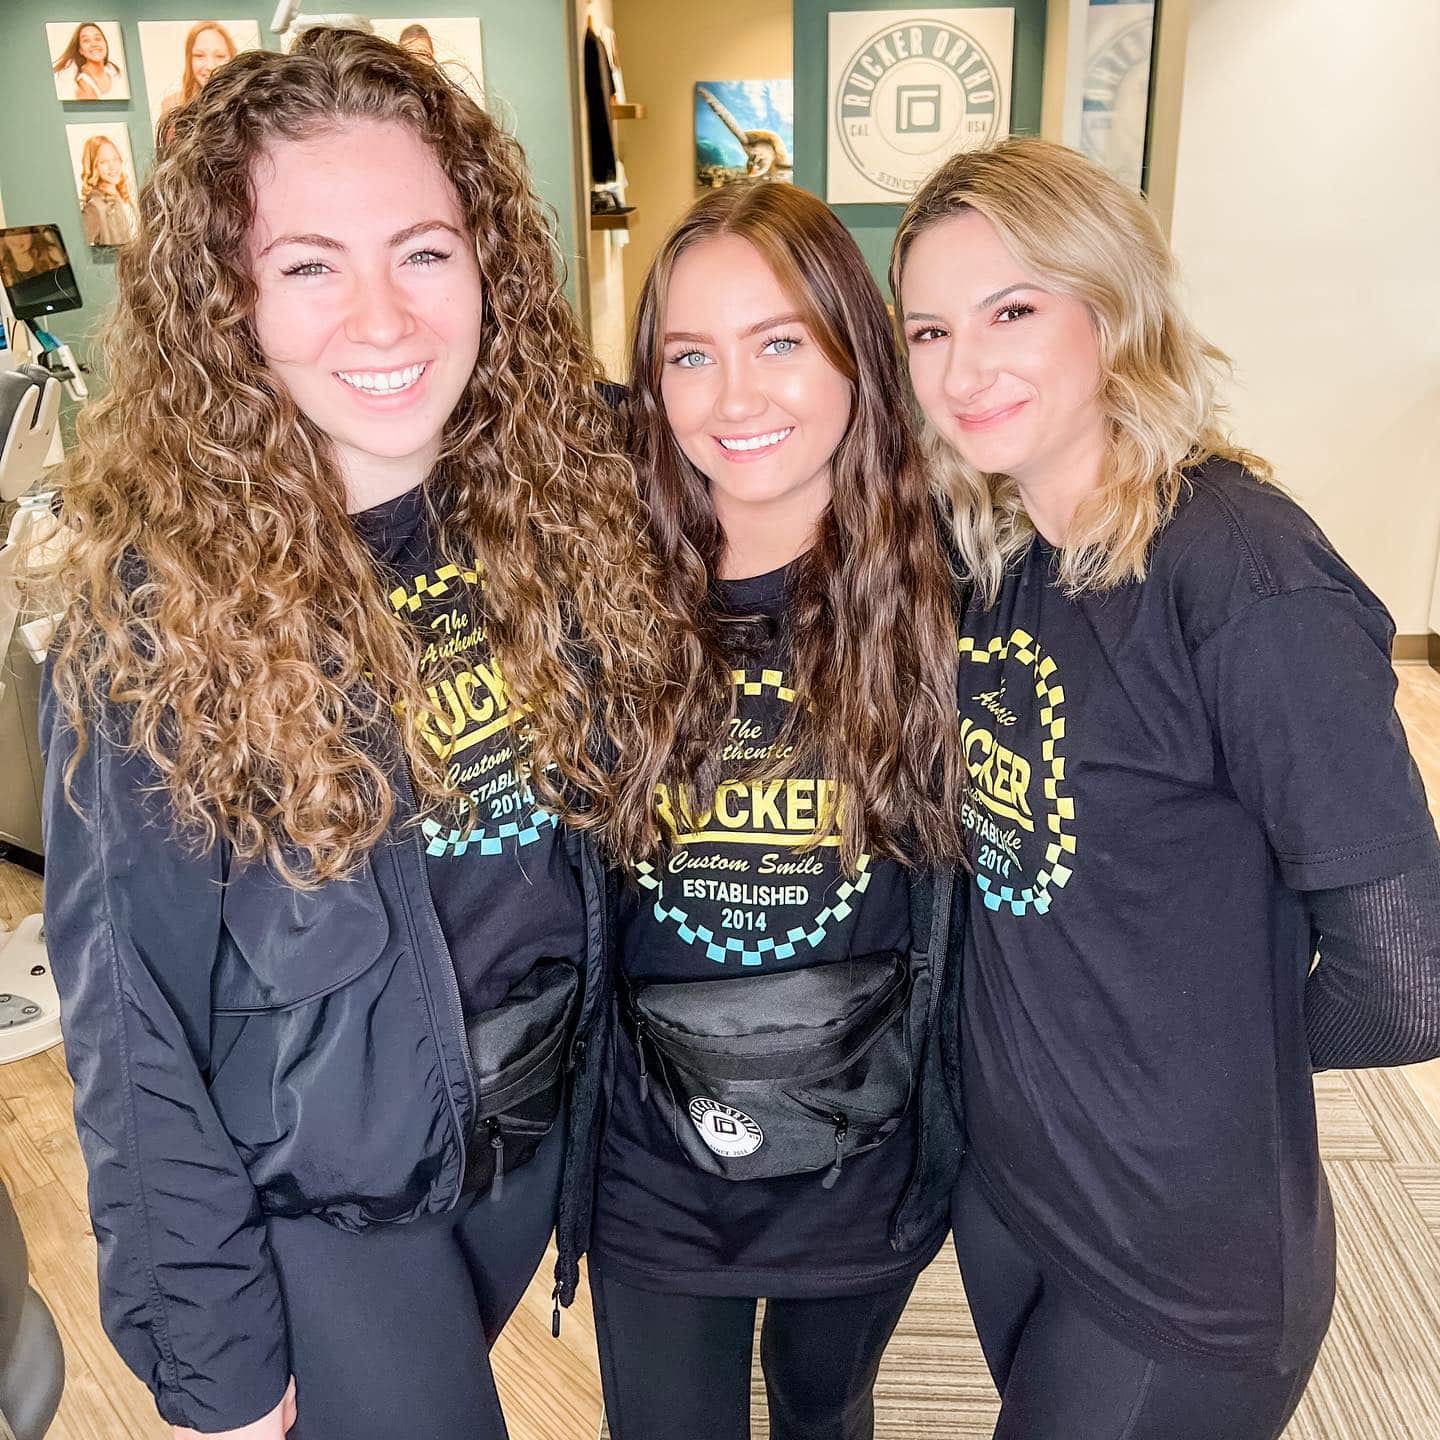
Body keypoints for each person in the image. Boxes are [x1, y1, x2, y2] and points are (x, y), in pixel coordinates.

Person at [37, 29, 668, 1440]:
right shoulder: (149, 608)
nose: (381, 320)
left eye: (425, 253)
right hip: (333, 1199)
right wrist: (212, 1362)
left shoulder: (564, 490)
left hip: (530, 1144)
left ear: (488, 267)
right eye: (308, 264)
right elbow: (129, 1020)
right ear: (229, 303)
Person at [892, 136, 1440, 1439]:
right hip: (1019, 1193)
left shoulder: (1241, 575)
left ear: (1112, 305)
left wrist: (1209, 1045)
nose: (963, 371)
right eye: (927, 331)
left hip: (1177, 1255)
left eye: (1012, 311)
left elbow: (1412, 973)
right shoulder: (1001, 544)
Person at [580, 181, 969, 1440]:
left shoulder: (959, 596)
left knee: (823, 1411)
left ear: (860, 351)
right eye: (691, 355)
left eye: (780, 342)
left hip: (864, 1156)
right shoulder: (600, 590)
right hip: (651, 1158)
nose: (733, 399)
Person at [158, 20, 237, 118]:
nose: (210, 66)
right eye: (199, 55)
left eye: (219, 56)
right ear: (189, 59)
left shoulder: (245, 102)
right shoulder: (173, 105)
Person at [78, 135, 136, 247]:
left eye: (115, 159)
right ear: (93, 166)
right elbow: (78, 248)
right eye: (103, 162)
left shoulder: (126, 197)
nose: (112, 166)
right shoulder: (94, 207)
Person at [52, 21, 123, 100]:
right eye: (86, 40)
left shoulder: (113, 71)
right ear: (80, 50)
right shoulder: (84, 86)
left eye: (97, 38)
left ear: (105, 43)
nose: (94, 44)